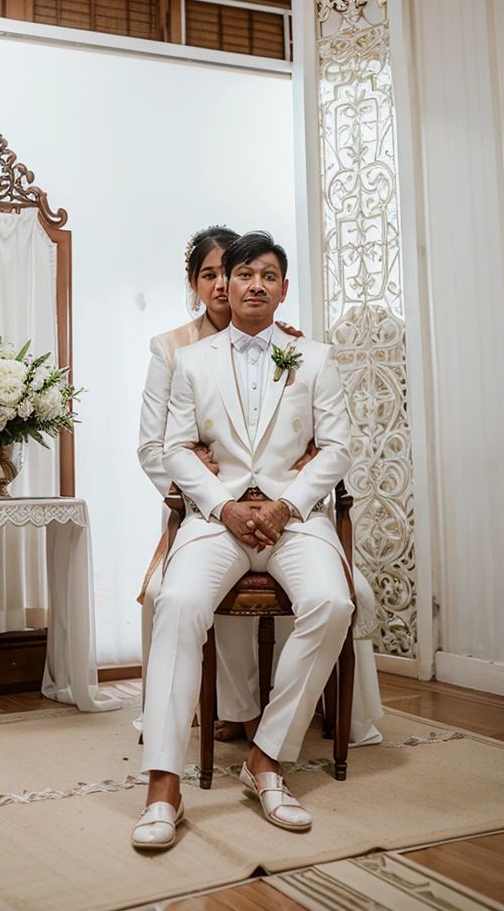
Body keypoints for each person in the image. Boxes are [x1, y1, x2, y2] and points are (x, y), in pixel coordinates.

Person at [132, 232, 357, 850]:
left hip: (294, 521)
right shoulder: (190, 361)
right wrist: (223, 506)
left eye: (269, 275)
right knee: (176, 603)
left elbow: (338, 446)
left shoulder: (315, 358)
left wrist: (287, 505)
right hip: (217, 521)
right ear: (223, 287)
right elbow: (173, 446)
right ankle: (163, 787)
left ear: (284, 290)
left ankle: (266, 758)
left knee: (333, 604)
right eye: (243, 275)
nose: (255, 285)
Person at [136, 227, 313, 740]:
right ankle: (227, 708)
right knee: (170, 593)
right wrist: (207, 495)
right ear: (194, 283)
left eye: (226, 272)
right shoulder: (173, 350)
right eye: (208, 274)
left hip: (277, 509)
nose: (220, 284)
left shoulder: (289, 346)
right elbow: (154, 449)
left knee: (326, 585)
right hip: (197, 505)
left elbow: (307, 433)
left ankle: (284, 708)